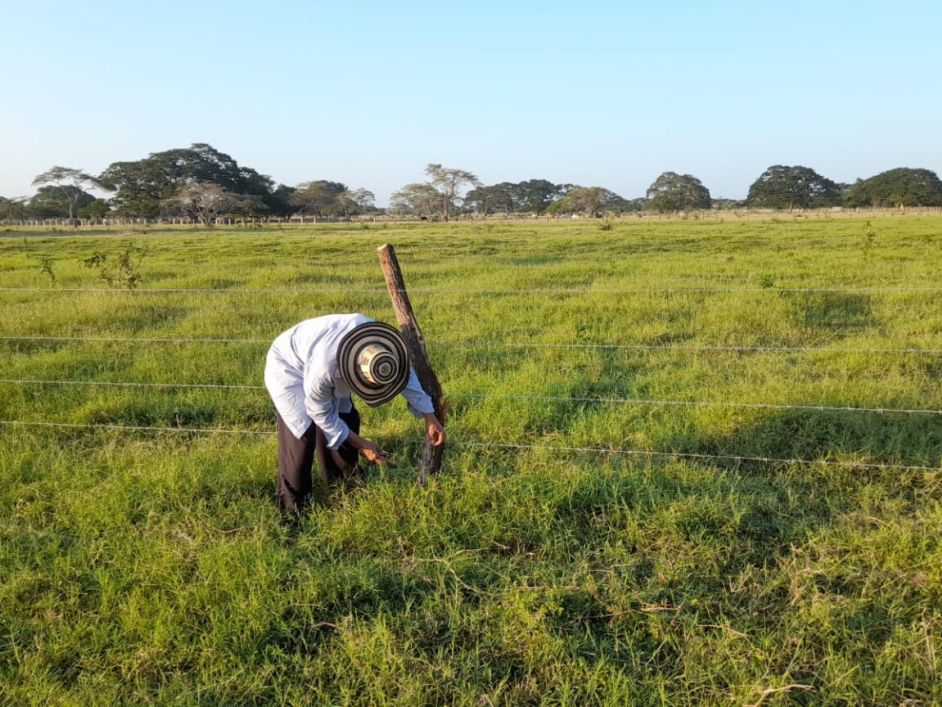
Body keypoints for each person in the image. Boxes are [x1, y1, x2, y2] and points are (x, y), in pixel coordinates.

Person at [264, 313, 446, 513]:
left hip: (325, 358)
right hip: (289, 365)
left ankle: (344, 489)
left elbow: (405, 377)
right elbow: (320, 413)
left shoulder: (382, 348)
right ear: (352, 373)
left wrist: (430, 417)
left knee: (346, 420)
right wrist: (362, 444)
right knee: (302, 438)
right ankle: (293, 512)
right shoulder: (324, 369)